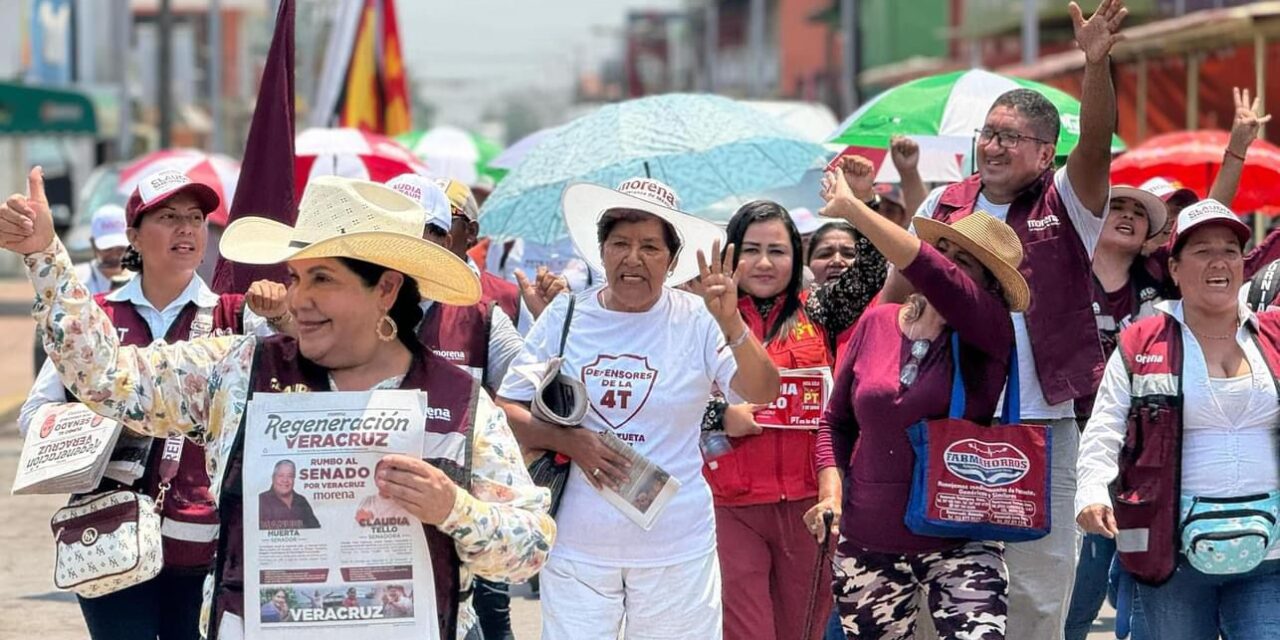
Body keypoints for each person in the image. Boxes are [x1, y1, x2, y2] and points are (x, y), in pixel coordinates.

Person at [0, 171, 555, 640]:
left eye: (322, 279)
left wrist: (453, 509)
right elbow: (105, 377)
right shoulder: (239, 372)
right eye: (295, 277)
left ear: (385, 289)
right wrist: (45, 256)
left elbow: (528, 549)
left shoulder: (456, 401)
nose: (298, 298)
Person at [880, 3, 1129, 634]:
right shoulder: (943, 203)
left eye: (1009, 137)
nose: (991, 146)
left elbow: (1095, 146)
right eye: (987, 133)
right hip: (948, 416)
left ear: (1045, 153)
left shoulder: (1069, 200)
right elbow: (893, 295)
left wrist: (1095, 65)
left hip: (1042, 426)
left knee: (1040, 595)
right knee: (944, 587)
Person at [496, 177, 780, 639]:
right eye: (620, 243)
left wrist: (732, 323)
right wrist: (571, 442)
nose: (633, 258)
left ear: (671, 260)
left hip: (677, 549)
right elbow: (506, 409)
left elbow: (762, 390)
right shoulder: (566, 315)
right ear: (601, 250)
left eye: (650, 246)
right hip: (578, 550)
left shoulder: (700, 320)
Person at [17, 169, 273, 640]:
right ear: (133, 234)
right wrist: (107, 422)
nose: (186, 229)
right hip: (109, 533)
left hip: (206, 542)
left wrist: (280, 313)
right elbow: (34, 415)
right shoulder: (94, 318)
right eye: (169, 216)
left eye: (196, 218)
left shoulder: (237, 315)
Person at [810, 164, 1025, 639]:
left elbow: (931, 272)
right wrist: (831, 492)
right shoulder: (878, 322)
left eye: (961, 263)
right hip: (868, 540)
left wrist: (853, 210)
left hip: (962, 538)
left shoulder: (989, 332)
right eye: (940, 249)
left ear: (985, 288)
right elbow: (835, 423)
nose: (942, 265)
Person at [1077, 199, 1280, 639]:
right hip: (1170, 556)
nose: (1219, 261)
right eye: (1203, 250)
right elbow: (1104, 426)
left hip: (1272, 557)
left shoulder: (1274, 334)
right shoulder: (1140, 341)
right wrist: (1092, 491)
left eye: (1230, 250)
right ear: (1173, 268)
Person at [705, 195, 889, 640]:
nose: (764, 263)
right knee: (747, 631)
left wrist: (857, 206)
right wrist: (718, 415)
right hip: (730, 504)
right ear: (730, 254)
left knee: (800, 630)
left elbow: (873, 271)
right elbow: (673, 392)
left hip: (811, 505)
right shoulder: (704, 316)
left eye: (778, 250)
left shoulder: (821, 310)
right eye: (750, 250)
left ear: (797, 256)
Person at [387, 174, 525, 391]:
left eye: (416, 227)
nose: (400, 243)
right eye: (388, 227)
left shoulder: (486, 316)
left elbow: (527, 394)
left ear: (444, 241)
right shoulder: (343, 310)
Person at [34, 203, 135, 372]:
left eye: (121, 248)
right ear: (93, 244)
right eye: (108, 249)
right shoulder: (74, 280)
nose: (116, 255)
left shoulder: (144, 281)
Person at [258, 459, 321, 530]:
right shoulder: (261, 500)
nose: (285, 480)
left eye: (290, 476)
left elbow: (316, 529)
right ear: (273, 478)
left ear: (294, 479)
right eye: (281, 475)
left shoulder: (301, 501)